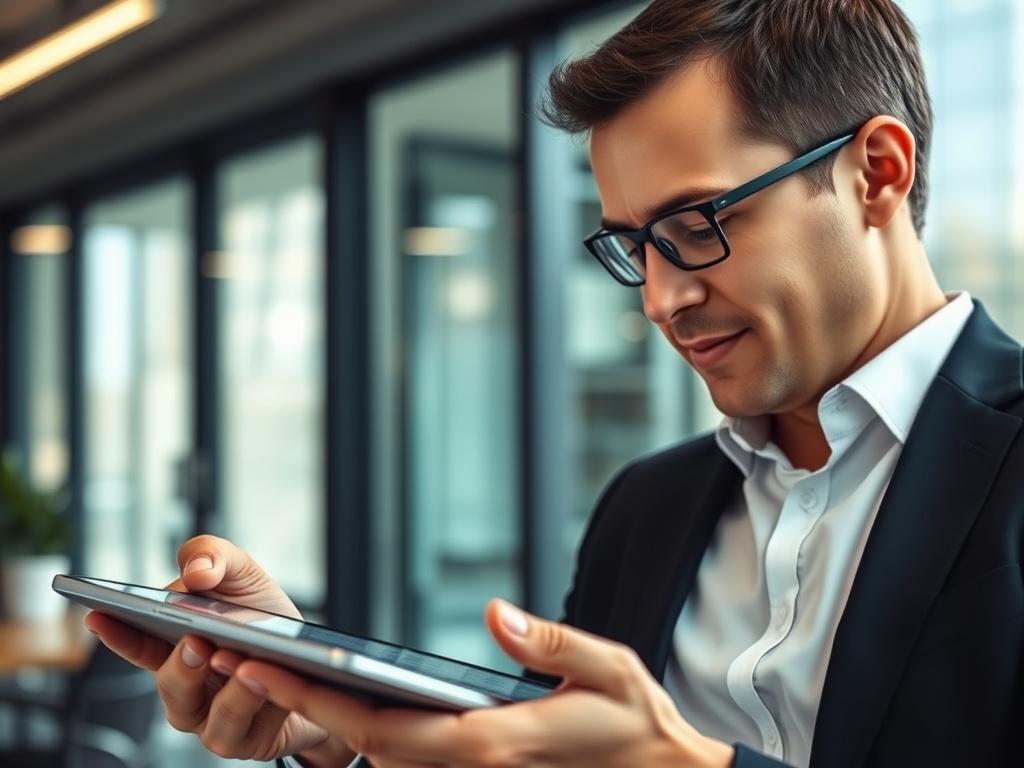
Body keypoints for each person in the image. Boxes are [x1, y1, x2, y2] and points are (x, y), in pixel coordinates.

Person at [86, 0, 1024, 766]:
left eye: (697, 223)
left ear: (878, 173)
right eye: (632, 246)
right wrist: (337, 727)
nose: (661, 298)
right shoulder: (645, 509)